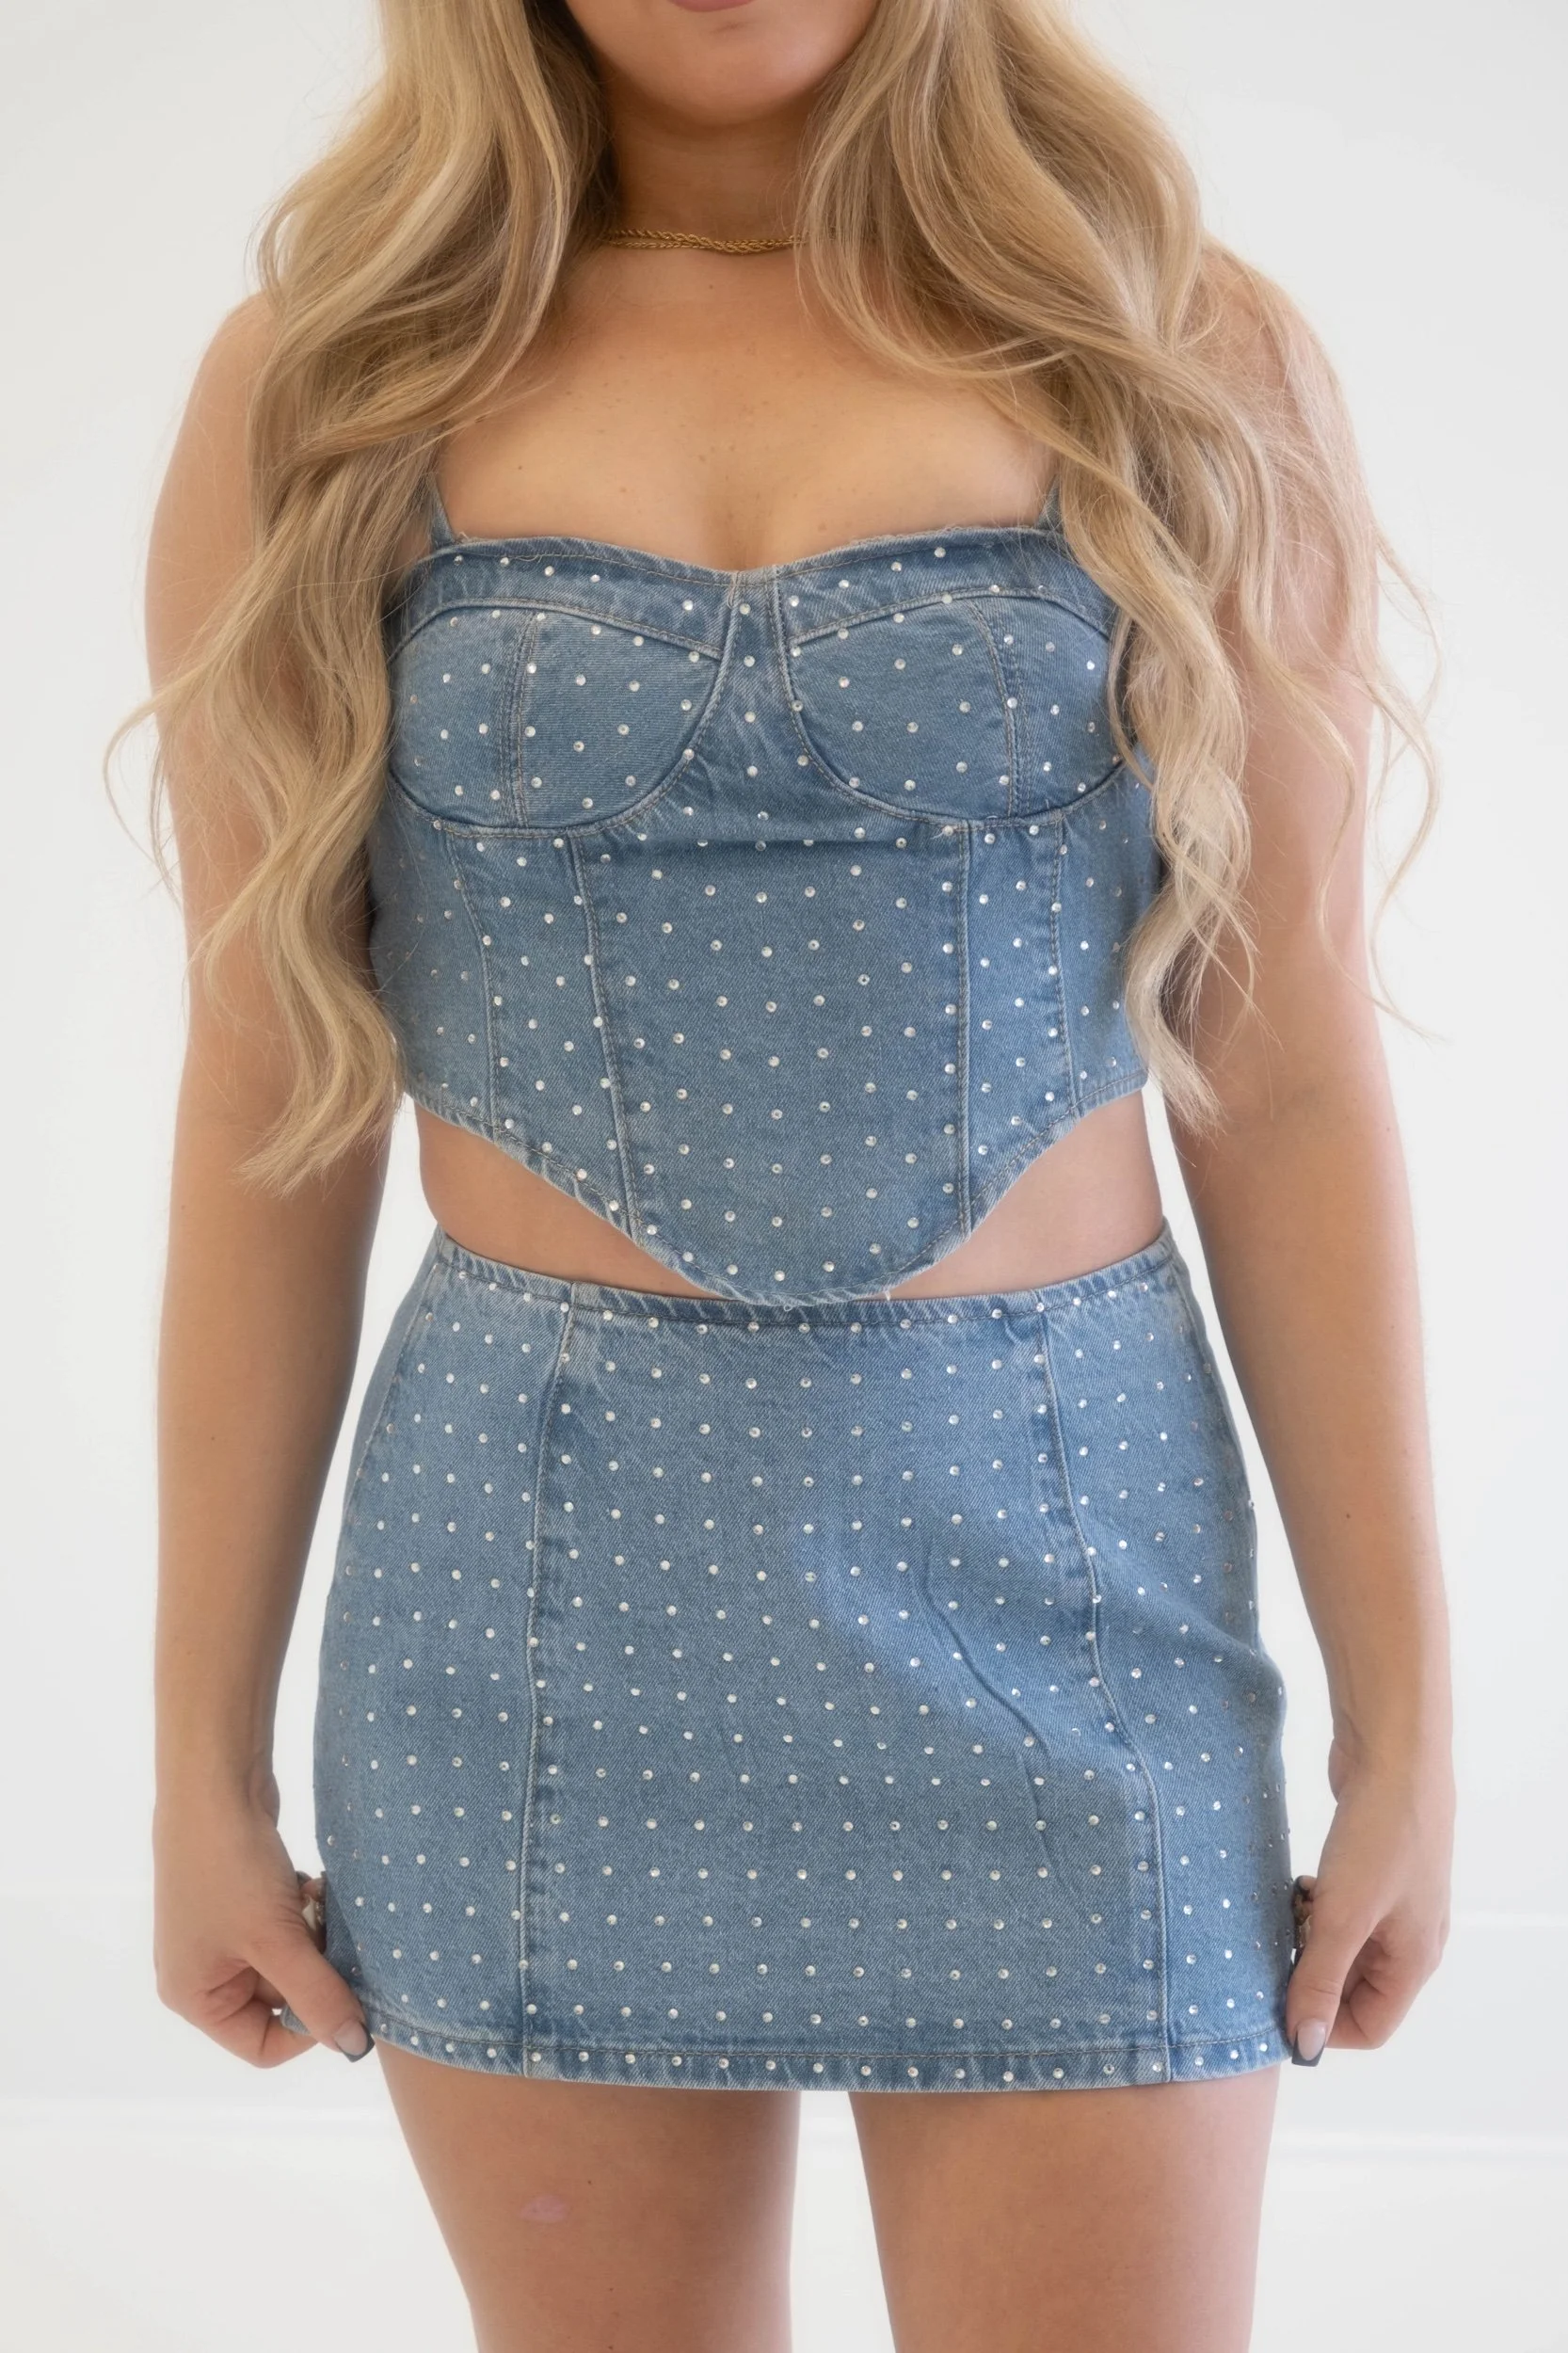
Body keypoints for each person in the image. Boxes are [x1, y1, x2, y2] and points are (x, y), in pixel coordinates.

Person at [125, 3, 1455, 2347]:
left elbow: (1287, 1073)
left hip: (1066, 1588)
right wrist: (194, 1763)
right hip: (529, 1611)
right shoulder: (323, 383)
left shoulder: (1174, 343)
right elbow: (269, 1092)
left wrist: (1407, 1724)